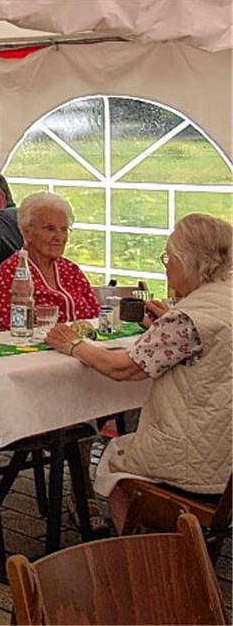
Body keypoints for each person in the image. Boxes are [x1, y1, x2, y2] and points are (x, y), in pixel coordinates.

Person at [45, 213, 232, 530]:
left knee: (114, 463)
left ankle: (141, 555)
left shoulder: (187, 317)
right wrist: (163, 324)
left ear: (187, 262)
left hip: (197, 463)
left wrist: (73, 344)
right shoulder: (218, 301)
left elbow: (123, 370)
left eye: (168, 257)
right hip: (224, 451)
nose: (167, 265)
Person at [0, 192, 99, 331]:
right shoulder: (13, 271)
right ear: (27, 232)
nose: (59, 237)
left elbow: (97, 315)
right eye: (50, 229)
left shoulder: (70, 269)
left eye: (64, 229)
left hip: (82, 346)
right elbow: (11, 326)